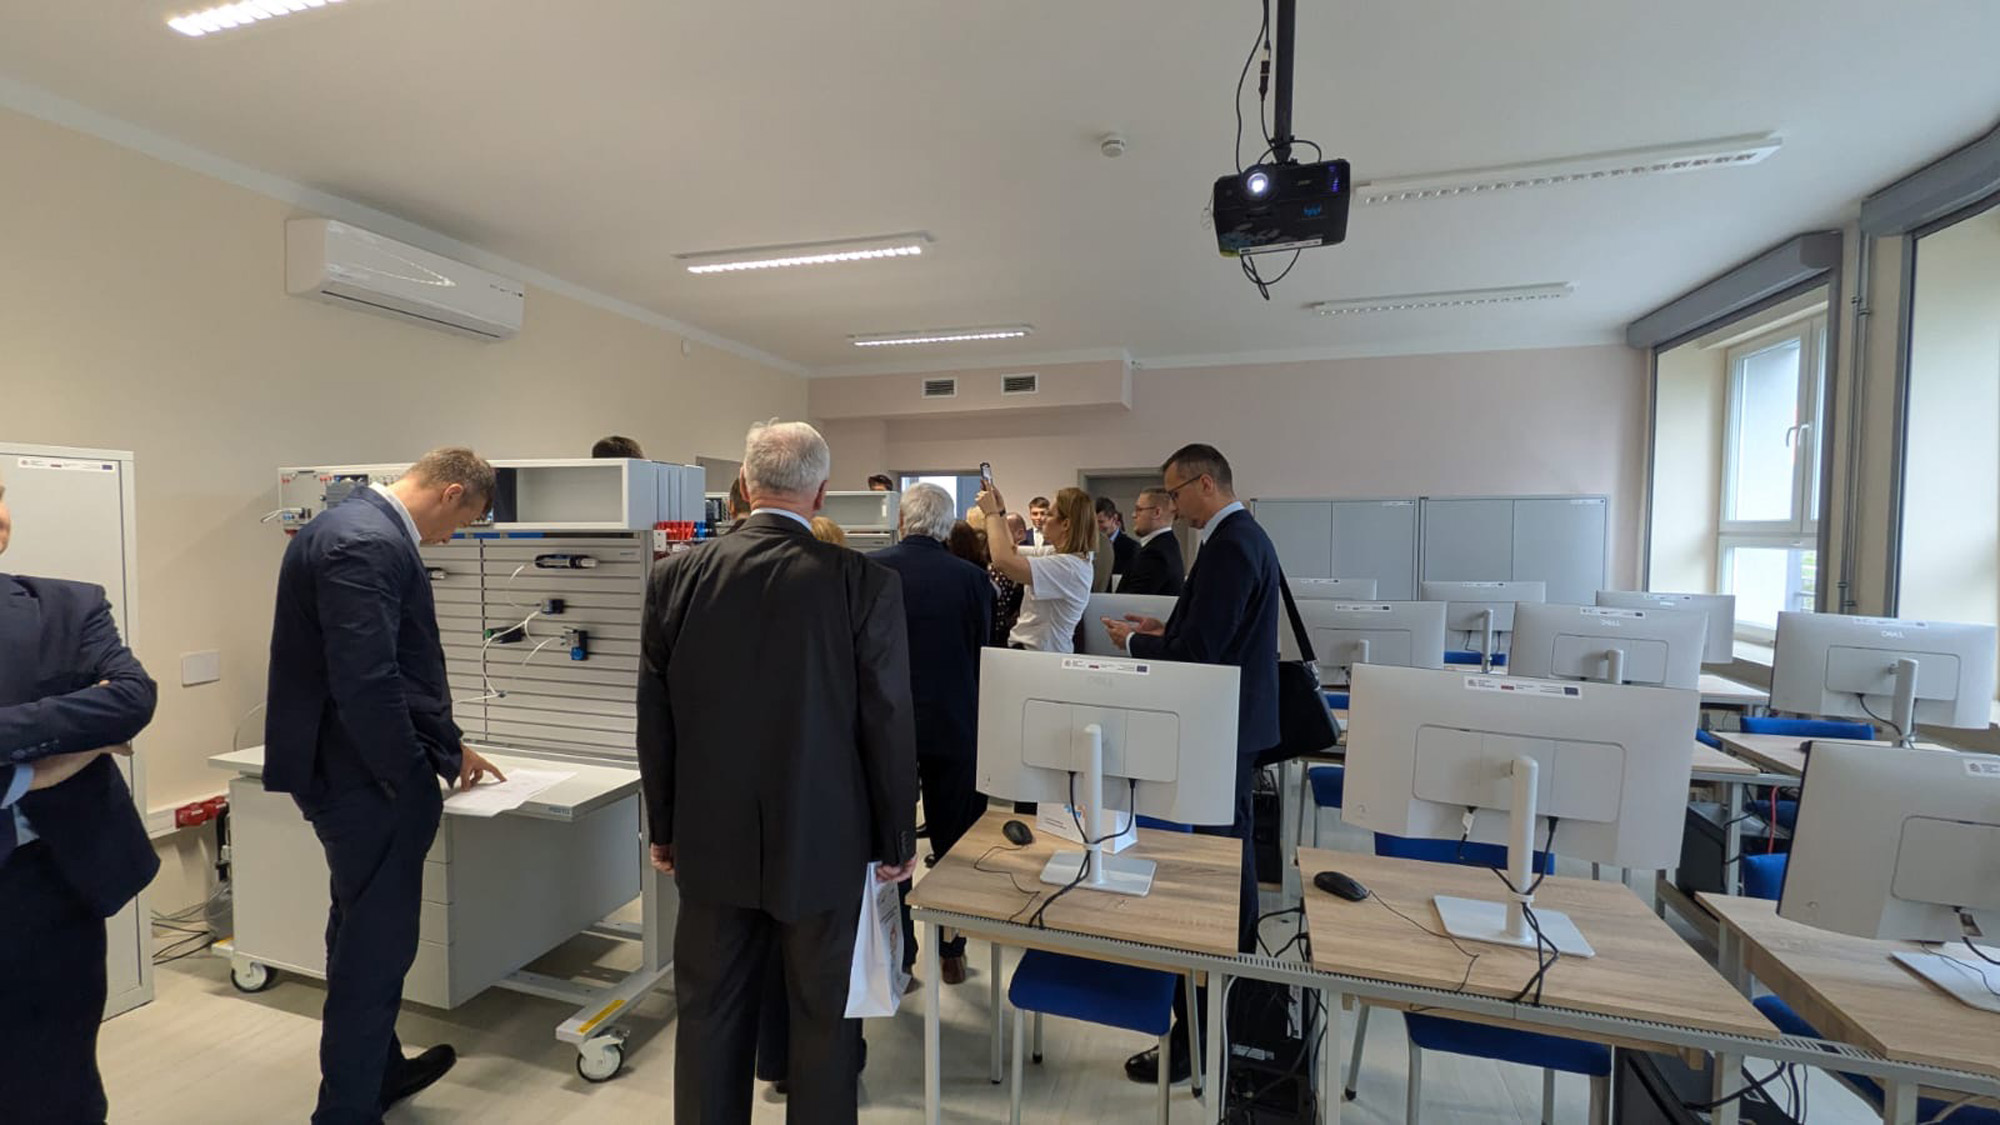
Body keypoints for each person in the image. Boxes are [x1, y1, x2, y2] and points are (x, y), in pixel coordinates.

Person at [638, 421, 917, 1125]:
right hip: (825, 837)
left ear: (742, 484)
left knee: (708, 1011)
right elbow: (887, 719)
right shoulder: (863, 582)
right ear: (821, 493)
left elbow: (656, 717)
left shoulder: (675, 577)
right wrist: (897, 836)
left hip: (710, 835)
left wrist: (663, 827)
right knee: (824, 1016)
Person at [264, 447, 509, 1124]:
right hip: (365, 780)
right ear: (451, 492)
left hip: (354, 770)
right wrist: (409, 777)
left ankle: (379, 1068)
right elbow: (366, 682)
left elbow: (393, 667)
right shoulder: (364, 542)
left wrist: (448, 745)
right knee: (376, 946)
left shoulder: (351, 527)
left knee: (360, 928)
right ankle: (347, 1108)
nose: (452, 538)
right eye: (464, 521)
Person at [1103, 444, 1280, 1086]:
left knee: (1216, 873)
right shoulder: (1241, 536)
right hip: (1231, 723)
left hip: (1220, 728)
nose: (1172, 507)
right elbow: (1213, 632)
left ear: (1206, 483)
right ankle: (1219, 1012)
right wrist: (1165, 628)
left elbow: (1201, 652)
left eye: (1175, 494)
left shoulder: (1231, 544)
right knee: (1228, 861)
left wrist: (1138, 642)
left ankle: (1206, 1032)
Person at [0, 473, 159, 1125]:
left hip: (54, 882)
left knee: (62, 1078)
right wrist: (44, 759)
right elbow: (101, 717)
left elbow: (131, 699)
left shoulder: (68, 604)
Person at [871, 485, 994, 986]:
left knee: (892, 842)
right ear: (946, 527)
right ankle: (952, 950)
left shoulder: (871, 570)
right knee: (955, 839)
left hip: (887, 726)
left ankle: (901, 952)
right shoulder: (972, 579)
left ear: (902, 520)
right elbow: (983, 650)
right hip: (955, 721)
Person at [978, 485, 1094, 654]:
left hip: (1040, 655)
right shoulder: (1057, 554)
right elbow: (1011, 551)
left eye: (1050, 514)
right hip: (1035, 651)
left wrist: (991, 514)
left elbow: (1003, 561)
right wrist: (1001, 512)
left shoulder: (1068, 567)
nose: (1043, 519)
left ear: (1065, 524)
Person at [1119, 486, 1185, 597]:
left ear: (1156, 512)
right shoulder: (1167, 544)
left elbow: (1132, 600)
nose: (1133, 515)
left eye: (1139, 509)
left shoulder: (1155, 554)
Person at [1096, 497, 1137, 578]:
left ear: (1114, 518)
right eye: (1093, 522)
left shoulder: (1131, 547)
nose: (1096, 527)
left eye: (1101, 522)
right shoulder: (1091, 546)